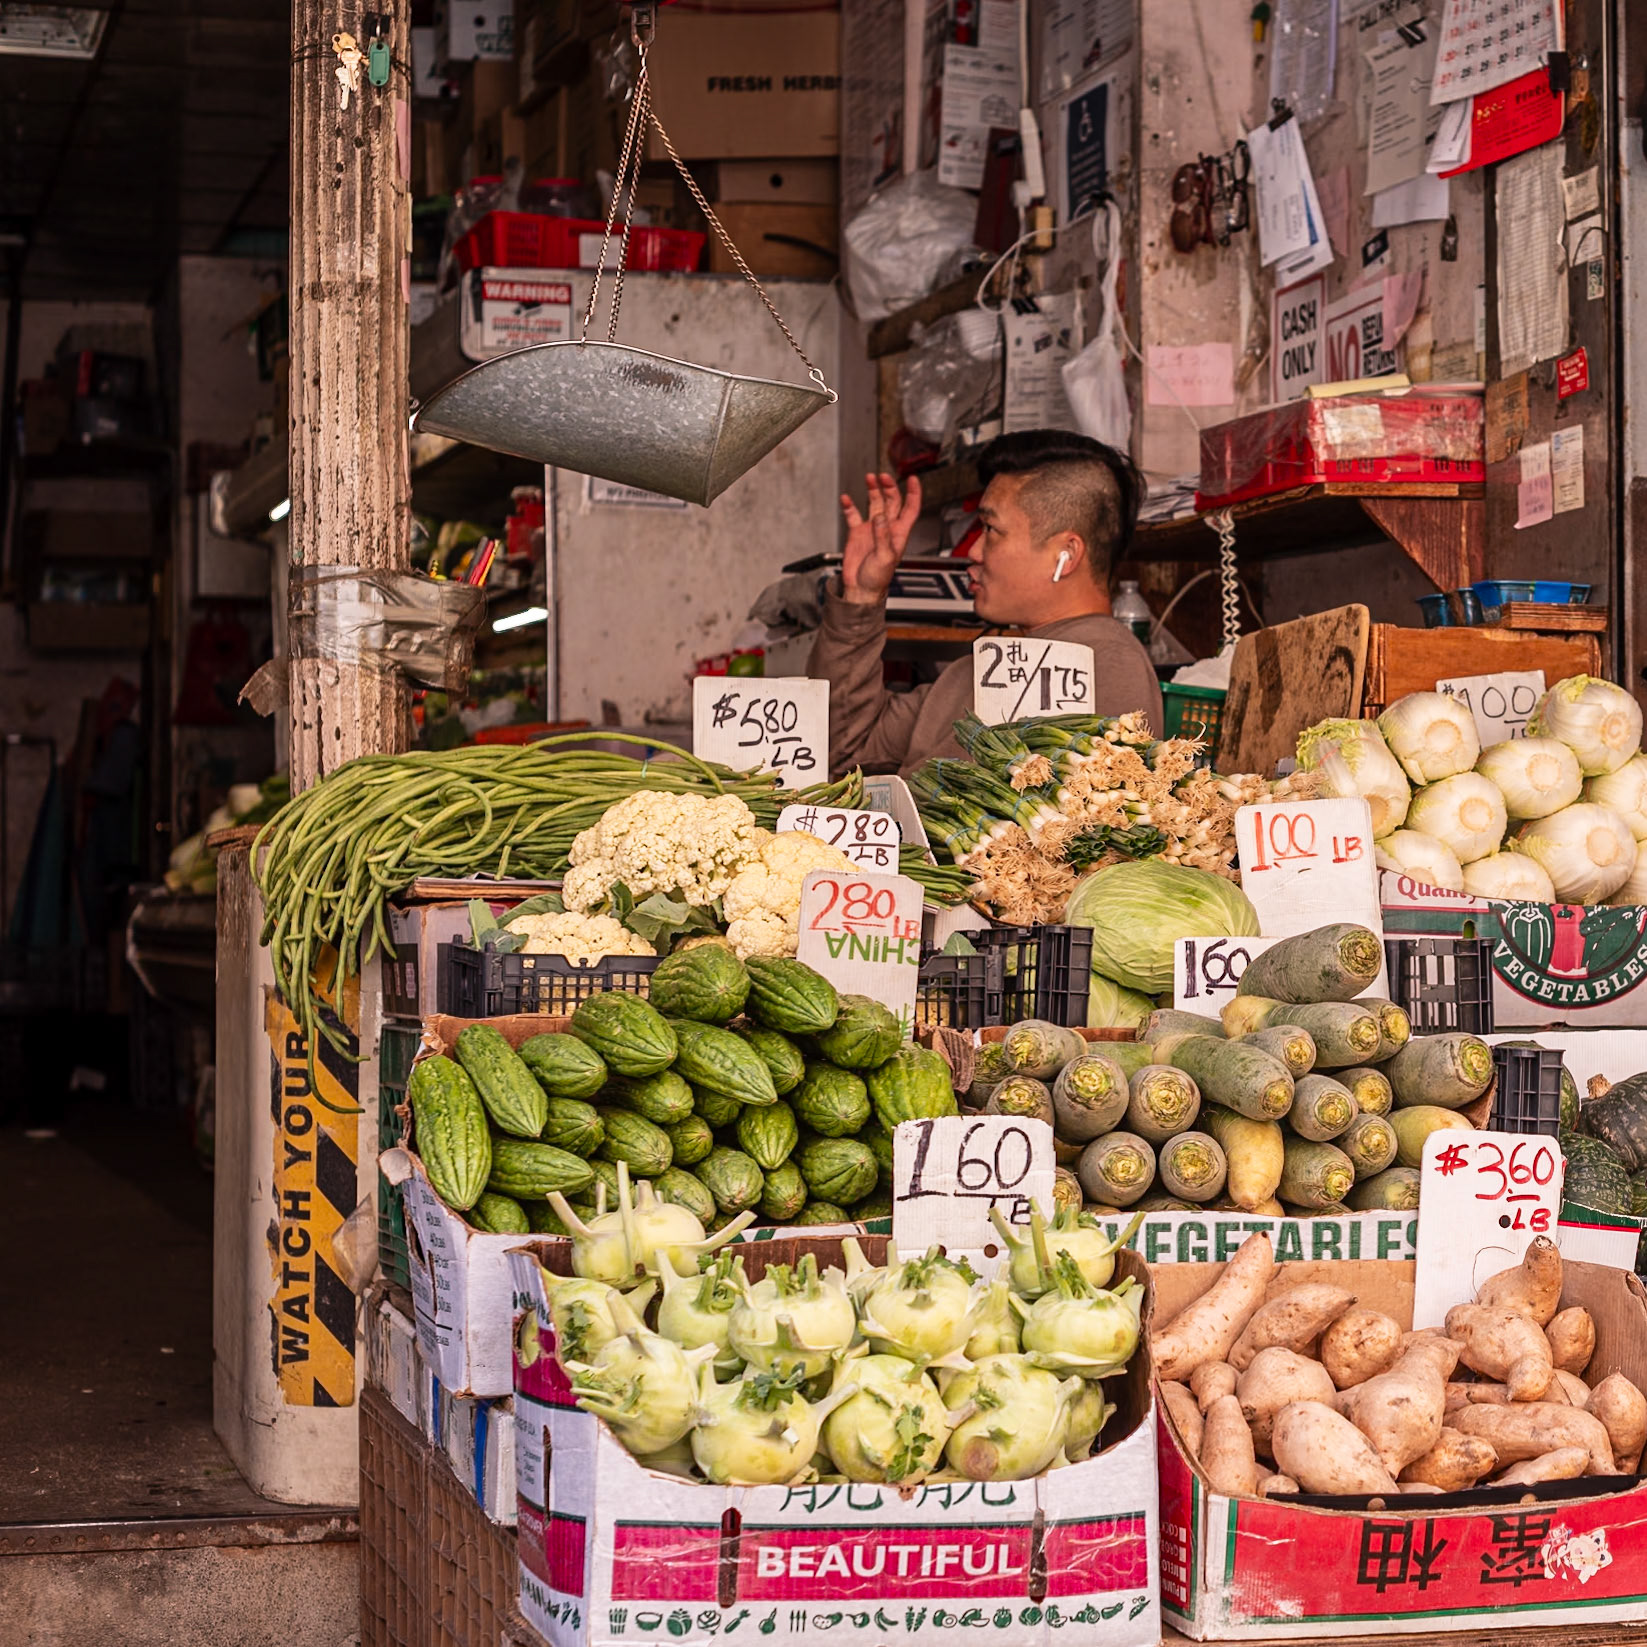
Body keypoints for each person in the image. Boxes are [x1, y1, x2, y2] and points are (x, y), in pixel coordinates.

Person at [808, 429, 1163, 777]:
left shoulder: (1107, 665)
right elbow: (842, 750)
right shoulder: (971, 673)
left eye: (990, 530)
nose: (973, 552)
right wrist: (861, 596)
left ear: (1065, 555)